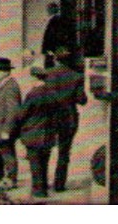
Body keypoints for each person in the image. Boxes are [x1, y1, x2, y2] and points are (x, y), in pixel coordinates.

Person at [44, 51, 87, 191]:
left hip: (49, 116)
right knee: (64, 152)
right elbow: (82, 100)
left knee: (45, 150)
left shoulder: (47, 74)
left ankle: (42, 183)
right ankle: (59, 184)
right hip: (68, 117)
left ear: (56, 59)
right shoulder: (77, 76)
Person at [17, 64, 59, 199]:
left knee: (35, 164)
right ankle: (44, 188)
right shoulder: (52, 94)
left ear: (35, 78)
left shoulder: (32, 94)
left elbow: (22, 114)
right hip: (48, 134)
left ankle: (38, 191)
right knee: (44, 163)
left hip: (33, 133)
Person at [0, 58, 22, 188]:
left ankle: (11, 179)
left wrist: (7, 130)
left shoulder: (11, 86)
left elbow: (13, 110)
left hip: (3, 129)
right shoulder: (4, 85)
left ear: (5, 72)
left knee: (8, 155)